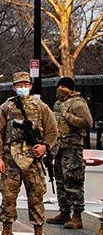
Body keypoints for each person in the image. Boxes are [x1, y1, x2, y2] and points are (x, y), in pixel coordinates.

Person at [0, 72, 58, 235]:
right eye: (19, 85)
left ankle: (38, 230)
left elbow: (53, 130)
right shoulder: (6, 107)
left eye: (25, 85)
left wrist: (44, 147)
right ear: (14, 87)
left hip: (33, 160)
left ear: (30, 86)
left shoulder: (41, 107)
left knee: (36, 197)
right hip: (10, 160)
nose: (23, 88)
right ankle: (7, 230)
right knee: (8, 196)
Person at [46, 77, 93, 229]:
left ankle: (77, 216)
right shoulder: (58, 103)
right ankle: (64, 212)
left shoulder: (77, 103)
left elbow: (87, 122)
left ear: (69, 88)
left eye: (62, 87)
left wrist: (68, 115)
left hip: (72, 149)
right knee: (60, 182)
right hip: (59, 148)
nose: (59, 89)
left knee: (74, 182)